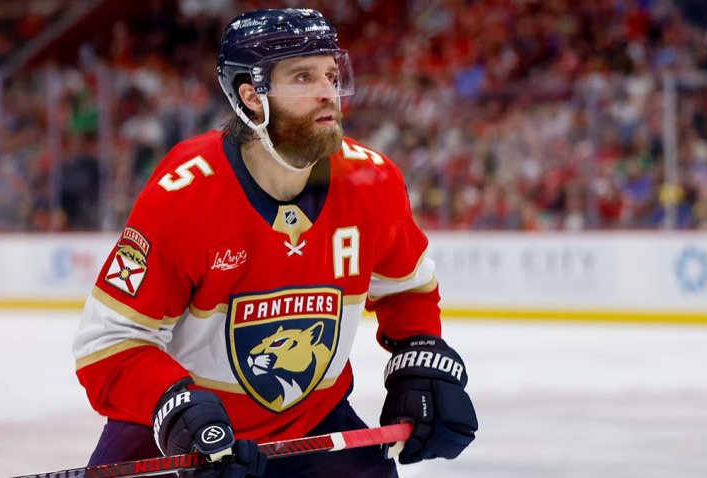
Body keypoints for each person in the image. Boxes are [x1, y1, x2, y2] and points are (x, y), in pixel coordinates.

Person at [72, 8, 477, 478]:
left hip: (311, 422)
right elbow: (109, 344)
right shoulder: (184, 193)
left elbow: (407, 287)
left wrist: (418, 355)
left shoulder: (374, 181)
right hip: (184, 438)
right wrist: (178, 411)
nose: (329, 91)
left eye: (331, 73)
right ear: (252, 97)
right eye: (304, 77)